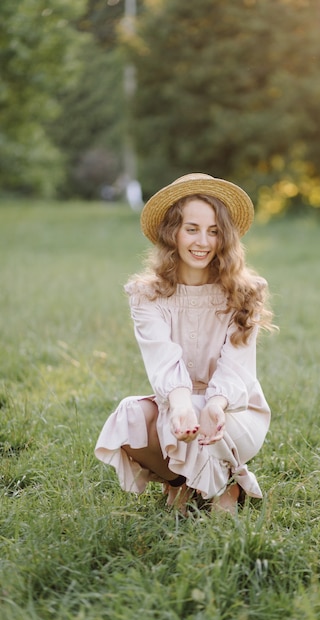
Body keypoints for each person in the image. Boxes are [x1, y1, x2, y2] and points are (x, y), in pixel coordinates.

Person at [95, 173, 275, 514]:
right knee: (131, 417)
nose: (203, 241)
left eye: (214, 231)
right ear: (172, 232)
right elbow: (162, 361)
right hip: (177, 404)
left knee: (196, 417)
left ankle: (226, 485)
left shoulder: (246, 292)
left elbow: (237, 366)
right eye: (192, 228)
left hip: (233, 410)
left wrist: (214, 405)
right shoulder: (146, 295)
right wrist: (180, 407)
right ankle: (180, 481)